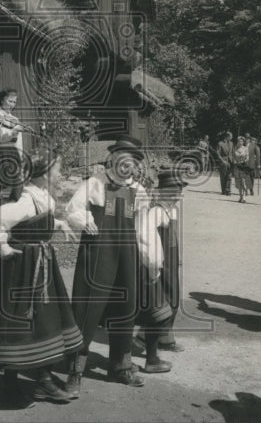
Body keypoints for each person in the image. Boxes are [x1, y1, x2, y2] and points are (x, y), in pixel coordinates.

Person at [0, 151, 80, 406]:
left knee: (43, 320)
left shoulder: (41, 197)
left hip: (40, 264)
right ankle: (20, 382)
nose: (59, 174)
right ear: (43, 174)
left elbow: (38, 220)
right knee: (22, 321)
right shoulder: (27, 201)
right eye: (57, 170)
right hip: (24, 268)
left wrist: (58, 224)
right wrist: (3, 246)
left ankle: (40, 381)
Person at [65, 135, 157, 393]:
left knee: (125, 307)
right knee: (88, 308)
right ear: (113, 159)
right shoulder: (95, 183)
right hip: (97, 253)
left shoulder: (138, 191)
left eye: (132, 163)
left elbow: (143, 228)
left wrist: (151, 261)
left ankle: (120, 366)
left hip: (127, 255)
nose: (127, 167)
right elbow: (72, 209)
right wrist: (84, 219)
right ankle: (75, 370)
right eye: (123, 161)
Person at [135, 166, 187, 372]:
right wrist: (155, 262)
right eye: (174, 192)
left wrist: (178, 258)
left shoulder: (172, 209)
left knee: (174, 298)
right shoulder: (156, 211)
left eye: (179, 191)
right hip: (161, 262)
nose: (178, 196)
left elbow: (173, 236)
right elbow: (147, 237)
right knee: (166, 299)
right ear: (164, 192)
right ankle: (144, 336)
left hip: (172, 259)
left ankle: (165, 337)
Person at [233, 136, 251, 203]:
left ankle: (244, 197)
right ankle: (240, 197)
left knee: (243, 182)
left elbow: (247, 157)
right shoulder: (235, 148)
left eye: (241, 141)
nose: (240, 142)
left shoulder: (245, 148)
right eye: (239, 141)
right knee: (238, 183)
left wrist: (244, 161)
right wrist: (234, 161)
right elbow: (233, 157)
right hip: (237, 167)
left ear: (243, 142)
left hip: (243, 167)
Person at [216, 132, 234, 197]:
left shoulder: (231, 143)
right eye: (231, 136)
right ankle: (223, 190)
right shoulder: (220, 143)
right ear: (227, 136)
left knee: (229, 176)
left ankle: (228, 190)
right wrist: (222, 161)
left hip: (230, 162)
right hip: (223, 162)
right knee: (223, 176)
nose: (232, 137)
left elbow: (232, 153)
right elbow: (218, 153)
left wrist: (233, 160)